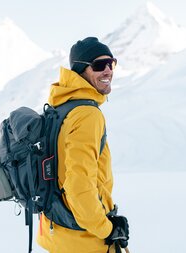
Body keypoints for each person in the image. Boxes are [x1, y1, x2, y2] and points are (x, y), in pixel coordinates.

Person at [36, 37, 129, 253]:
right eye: (98, 65)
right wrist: (108, 229)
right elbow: (79, 185)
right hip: (86, 241)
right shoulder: (87, 115)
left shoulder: (60, 108)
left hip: (56, 233)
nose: (108, 71)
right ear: (81, 71)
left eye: (111, 63)